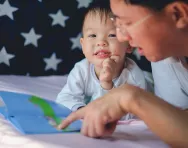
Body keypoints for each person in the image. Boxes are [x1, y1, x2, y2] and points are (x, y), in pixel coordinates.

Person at [58, 0, 188, 147]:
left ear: (177, 14)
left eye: (128, 23)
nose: (121, 38)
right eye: (118, 24)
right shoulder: (164, 56)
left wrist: (129, 97)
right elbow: (178, 121)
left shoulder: (135, 74)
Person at [56, 1, 147, 120]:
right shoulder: (82, 69)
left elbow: (131, 115)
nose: (101, 42)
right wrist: (82, 111)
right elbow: (64, 98)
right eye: (93, 35)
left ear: (129, 44)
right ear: (83, 46)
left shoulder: (134, 77)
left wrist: (107, 85)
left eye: (112, 35)